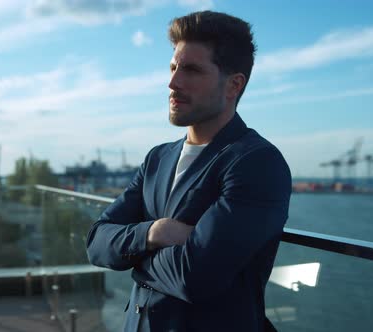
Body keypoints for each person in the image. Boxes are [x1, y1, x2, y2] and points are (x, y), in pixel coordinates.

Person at [86, 10, 291, 332]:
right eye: (173, 67)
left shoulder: (256, 163)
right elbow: (97, 242)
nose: (173, 83)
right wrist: (154, 233)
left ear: (233, 85)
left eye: (191, 70)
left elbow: (194, 277)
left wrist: (132, 258)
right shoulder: (158, 159)